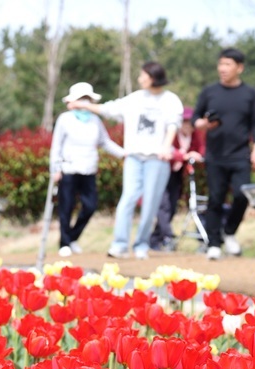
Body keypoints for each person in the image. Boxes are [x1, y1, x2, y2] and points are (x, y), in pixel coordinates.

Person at [78, 61, 182, 260]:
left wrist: (165, 147)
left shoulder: (170, 100)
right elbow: (110, 109)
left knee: (151, 202)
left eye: (143, 75)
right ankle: (120, 245)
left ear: (153, 77)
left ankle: (141, 244)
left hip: (156, 159)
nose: (139, 79)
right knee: (127, 199)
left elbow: (172, 125)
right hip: (134, 157)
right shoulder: (135, 99)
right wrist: (85, 105)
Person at [192, 48, 255, 261]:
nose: (222, 69)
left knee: (242, 195)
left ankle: (229, 232)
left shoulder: (250, 94)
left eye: (228, 64)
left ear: (239, 68)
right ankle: (213, 243)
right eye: (221, 64)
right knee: (215, 198)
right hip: (215, 154)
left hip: (240, 154)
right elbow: (195, 118)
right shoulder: (209, 92)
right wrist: (203, 124)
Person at [49, 82, 126, 257]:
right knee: (66, 207)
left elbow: (105, 142)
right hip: (68, 168)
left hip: (88, 169)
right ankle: (65, 243)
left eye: (87, 99)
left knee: (90, 206)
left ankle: (72, 236)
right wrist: (55, 169)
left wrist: (123, 154)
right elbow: (56, 146)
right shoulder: (65, 119)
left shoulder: (95, 121)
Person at [149, 108, 204, 253]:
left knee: (172, 206)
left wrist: (195, 154)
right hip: (163, 171)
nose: (187, 126)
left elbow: (201, 149)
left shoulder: (195, 136)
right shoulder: (171, 134)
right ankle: (167, 236)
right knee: (164, 205)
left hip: (178, 175)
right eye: (184, 122)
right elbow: (166, 150)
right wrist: (182, 155)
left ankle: (154, 239)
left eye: (189, 123)